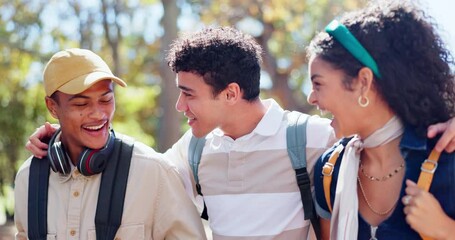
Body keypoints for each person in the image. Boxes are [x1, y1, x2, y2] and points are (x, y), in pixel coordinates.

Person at [25, 28, 455, 240]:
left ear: (230, 93)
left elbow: (382, 125)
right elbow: (132, 164)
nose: (180, 107)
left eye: (189, 94)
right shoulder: (189, 151)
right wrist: (64, 137)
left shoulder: (312, 138)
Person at [14, 48, 207, 239]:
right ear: (52, 107)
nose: (99, 114)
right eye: (81, 104)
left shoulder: (153, 172)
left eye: (106, 99)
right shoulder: (27, 178)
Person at [306, 0, 455, 239]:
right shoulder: (328, 172)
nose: (311, 97)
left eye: (318, 84)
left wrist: (446, 230)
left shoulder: (447, 157)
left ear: (363, 82)